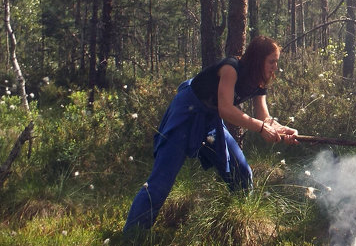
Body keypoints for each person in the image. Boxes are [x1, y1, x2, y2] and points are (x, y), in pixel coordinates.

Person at [123, 35, 298, 232]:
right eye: (271, 61)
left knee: (241, 171)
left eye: (276, 61)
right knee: (162, 180)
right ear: (258, 60)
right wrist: (260, 127)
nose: (275, 66)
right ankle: (132, 237)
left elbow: (264, 117)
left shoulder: (259, 80)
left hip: (210, 120)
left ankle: (243, 223)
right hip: (187, 113)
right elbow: (226, 110)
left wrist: (281, 129)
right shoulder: (231, 69)